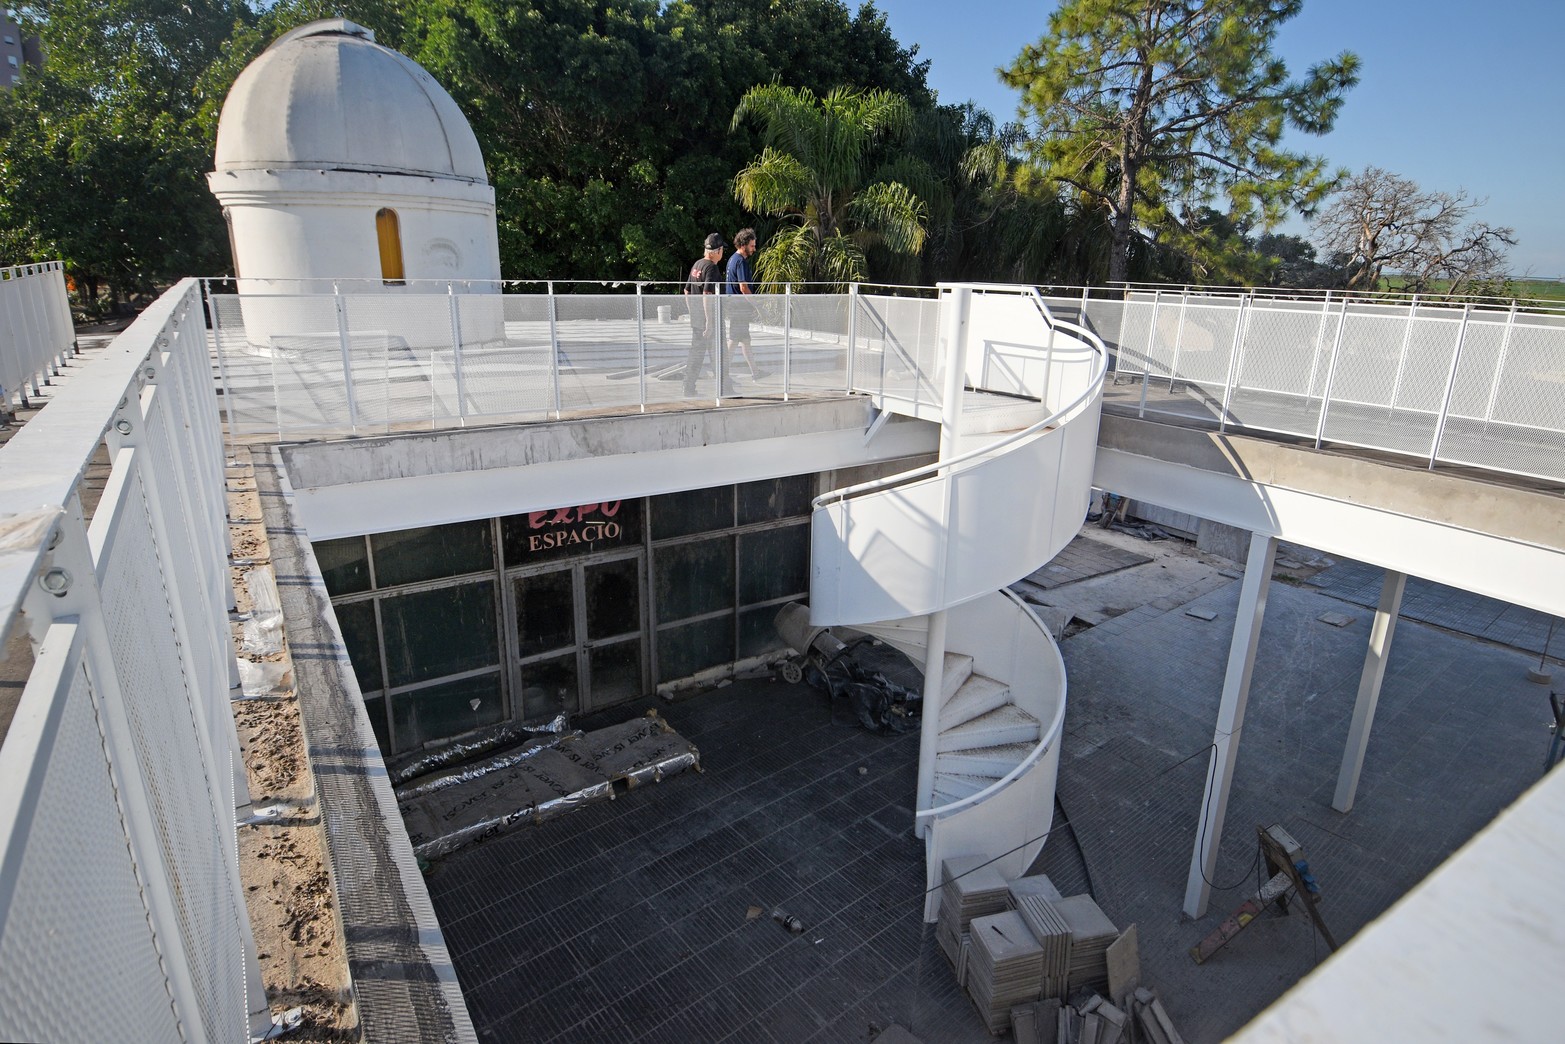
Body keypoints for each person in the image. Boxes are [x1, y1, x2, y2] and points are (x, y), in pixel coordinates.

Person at [683, 232, 732, 397]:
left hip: (697, 321)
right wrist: (710, 322)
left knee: (695, 356)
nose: (723, 253)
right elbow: (707, 295)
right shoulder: (711, 267)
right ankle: (725, 389)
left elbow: (686, 291)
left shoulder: (697, 264)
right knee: (719, 356)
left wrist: (693, 314)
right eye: (722, 250)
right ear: (717, 251)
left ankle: (688, 388)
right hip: (711, 322)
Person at [725, 228, 768, 379]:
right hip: (739, 308)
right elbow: (744, 287)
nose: (754, 248)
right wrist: (756, 304)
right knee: (734, 340)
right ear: (743, 245)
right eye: (752, 245)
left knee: (744, 340)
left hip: (735, 306)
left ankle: (755, 372)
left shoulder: (732, 259)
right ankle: (723, 372)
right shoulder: (740, 262)